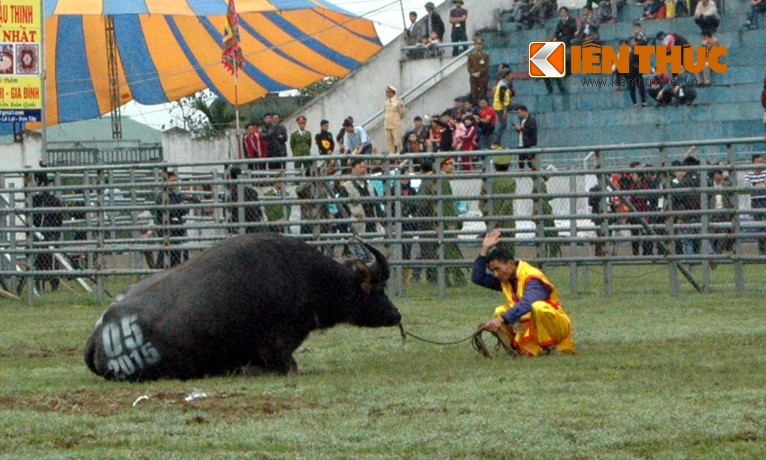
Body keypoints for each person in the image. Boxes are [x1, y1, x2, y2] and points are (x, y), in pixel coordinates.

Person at [471, 230, 575, 357]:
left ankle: (551, 348)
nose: (495, 274)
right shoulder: (505, 279)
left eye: (497, 269)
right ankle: (514, 349)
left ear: (510, 264)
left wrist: (501, 319)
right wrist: (484, 250)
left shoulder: (532, 277)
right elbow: (478, 277)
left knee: (538, 307)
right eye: (492, 271)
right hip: (532, 326)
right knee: (500, 310)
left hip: (557, 327)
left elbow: (527, 303)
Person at [31, 172, 63, 291]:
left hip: (48, 235)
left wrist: (54, 235)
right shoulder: (35, 201)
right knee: (41, 261)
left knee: (51, 261)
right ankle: (40, 284)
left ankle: (52, 283)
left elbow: (58, 220)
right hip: (40, 235)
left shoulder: (51, 201)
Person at [437, 157, 467, 287]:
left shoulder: (442, 180)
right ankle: (458, 277)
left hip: (444, 221)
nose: (452, 167)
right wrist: (451, 221)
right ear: (443, 165)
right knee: (452, 250)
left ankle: (447, 279)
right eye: (450, 164)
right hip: (446, 222)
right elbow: (447, 203)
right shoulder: (443, 181)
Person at [154, 172, 193, 268]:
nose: (175, 183)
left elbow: (186, 208)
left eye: (176, 181)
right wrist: (179, 207)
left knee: (180, 252)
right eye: (172, 181)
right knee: (168, 252)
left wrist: (181, 207)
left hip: (177, 228)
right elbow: (170, 211)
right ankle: (160, 270)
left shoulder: (176, 195)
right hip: (167, 230)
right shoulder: (161, 196)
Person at [480, 156, 516, 254]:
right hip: (506, 221)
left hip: (490, 219)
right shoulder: (510, 182)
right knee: (509, 250)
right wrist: (499, 218)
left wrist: (486, 216)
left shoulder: (488, 181)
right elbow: (507, 203)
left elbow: (481, 202)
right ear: (508, 166)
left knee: (493, 250)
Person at [338, 158, 384, 235]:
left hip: (373, 224)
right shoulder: (346, 187)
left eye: (364, 167)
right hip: (357, 225)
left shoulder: (370, 186)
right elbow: (342, 207)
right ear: (353, 169)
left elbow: (377, 205)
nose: (363, 169)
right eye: (360, 167)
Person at [227, 167, 263, 234]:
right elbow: (259, 212)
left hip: (238, 224)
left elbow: (229, 211)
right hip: (253, 224)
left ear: (230, 177)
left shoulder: (231, 192)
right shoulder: (252, 192)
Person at [744, 154, 766, 254]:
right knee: (759, 226)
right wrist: (757, 184)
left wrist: (755, 184)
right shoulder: (749, 174)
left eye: (762, 161)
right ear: (753, 163)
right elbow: (746, 186)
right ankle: (762, 249)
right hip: (756, 201)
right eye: (758, 162)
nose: (760, 164)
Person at [709, 169, 735, 254]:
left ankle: (718, 252)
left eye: (720, 174)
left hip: (724, 212)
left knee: (723, 234)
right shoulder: (709, 185)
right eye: (717, 174)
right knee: (712, 234)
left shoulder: (727, 185)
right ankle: (713, 250)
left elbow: (731, 198)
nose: (719, 176)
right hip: (713, 212)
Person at [490, 70, 513, 150]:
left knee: (502, 124)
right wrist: (505, 111)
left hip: (499, 105)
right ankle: (495, 143)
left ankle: (497, 143)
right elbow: (502, 99)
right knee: (503, 124)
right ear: (506, 76)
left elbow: (494, 91)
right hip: (501, 107)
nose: (511, 77)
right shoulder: (503, 85)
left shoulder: (501, 83)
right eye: (510, 75)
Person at [512, 105, 537, 170]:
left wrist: (521, 129)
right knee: (521, 163)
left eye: (519, 112)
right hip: (521, 144)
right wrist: (517, 129)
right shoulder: (522, 120)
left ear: (524, 111)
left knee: (530, 163)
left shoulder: (531, 120)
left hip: (528, 145)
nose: (518, 114)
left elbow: (530, 132)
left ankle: (537, 176)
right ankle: (521, 175)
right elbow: (522, 132)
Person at [383, 85, 406, 154]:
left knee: (398, 140)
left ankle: (399, 154)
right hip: (387, 123)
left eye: (389, 92)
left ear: (392, 93)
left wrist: (397, 119)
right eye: (386, 92)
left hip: (395, 124)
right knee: (389, 141)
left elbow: (402, 113)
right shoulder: (385, 101)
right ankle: (391, 155)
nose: (387, 93)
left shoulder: (398, 101)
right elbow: (385, 111)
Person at [467, 37, 490, 103]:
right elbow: (469, 66)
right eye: (477, 44)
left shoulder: (485, 55)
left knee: (483, 93)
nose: (478, 46)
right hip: (474, 78)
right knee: (474, 93)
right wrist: (473, 73)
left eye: (480, 44)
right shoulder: (471, 55)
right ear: (474, 45)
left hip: (483, 78)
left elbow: (486, 66)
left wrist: (479, 72)